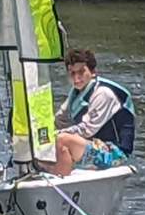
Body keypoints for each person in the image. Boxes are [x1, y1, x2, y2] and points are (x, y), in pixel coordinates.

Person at [50, 48, 136, 176]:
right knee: (41, 145)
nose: (76, 78)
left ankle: (60, 184)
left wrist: (55, 135)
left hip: (114, 153)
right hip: (94, 144)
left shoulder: (103, 93)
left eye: (81, 72)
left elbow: (87, 129)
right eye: (72, 73)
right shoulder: (76, 93)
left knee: (62, 140)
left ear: (93, 72)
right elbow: (60, 120)